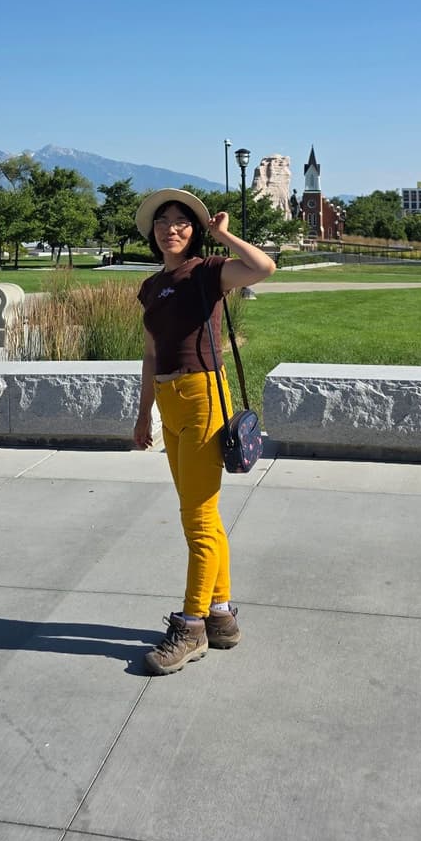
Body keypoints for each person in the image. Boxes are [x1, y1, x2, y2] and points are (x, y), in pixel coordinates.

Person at [132, 187, 276, 675]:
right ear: (151, 232)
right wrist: (143, 412)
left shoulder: (207, 272)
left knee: (196, 516)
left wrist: (224, 235)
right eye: (162, 221)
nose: (170, 228)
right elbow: (152, 354)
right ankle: (219, 616)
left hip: (202, 395)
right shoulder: (151, 287)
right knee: (205, 514)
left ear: (194, 231)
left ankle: (191, 625)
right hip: (171, 401)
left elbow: (263, 268)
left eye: (181, 221)